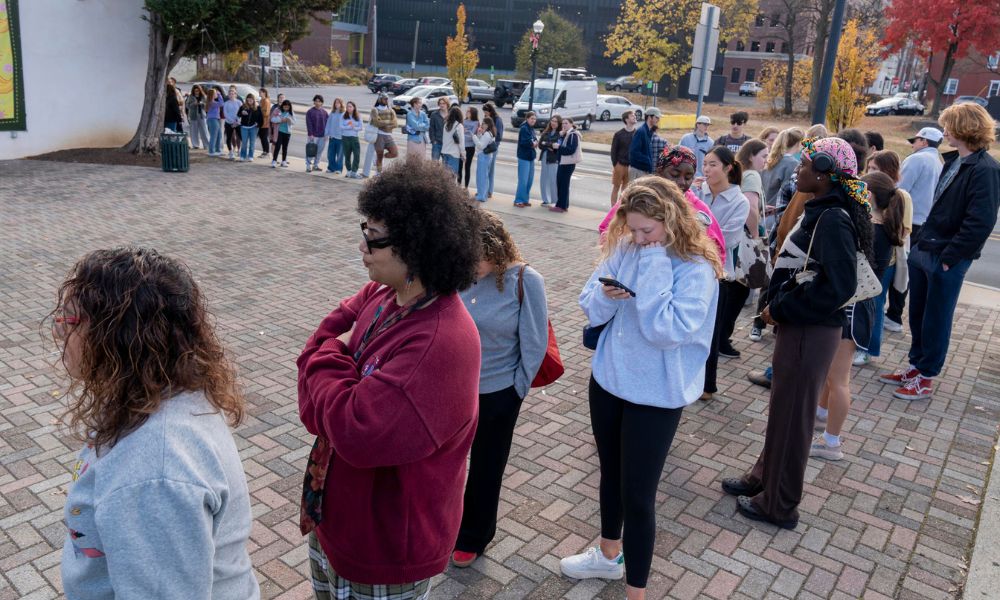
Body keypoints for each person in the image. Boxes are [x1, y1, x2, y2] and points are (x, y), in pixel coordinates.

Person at [297, 158, 483, 600]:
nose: (362, 245)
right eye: (365, 229)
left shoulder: (438, 343)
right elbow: (315, 357)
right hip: (339, 519)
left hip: (384, 548)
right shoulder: (383, 293)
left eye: (374, 238)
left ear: (418, 248)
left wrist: (330, 355)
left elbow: (351, 429)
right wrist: (333, 359)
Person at [55, 247, 259, 599]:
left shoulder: (154, 471)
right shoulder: (156, 392)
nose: (59, 332)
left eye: (69, 319)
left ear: (116, 336)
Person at [565, 178, 721, 600]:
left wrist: (652, 261)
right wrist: (610, 298)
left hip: (656, 395)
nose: (637, 238)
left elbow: (665, 330)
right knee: (610, 476)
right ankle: (607, 553)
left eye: (646, 231)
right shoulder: (626, 247)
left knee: (638, 495)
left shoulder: (697, 268)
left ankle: (637, 592)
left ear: (670, 220)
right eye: (632, 229)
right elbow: (588, 303)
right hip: (609, 380)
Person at [721, 136, 869, 530]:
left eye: (804, 166)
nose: (797, 170)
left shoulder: (833, 218)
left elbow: (837, 287)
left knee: (794, 419)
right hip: (801, 328)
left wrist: (780, 308)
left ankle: (779, 504)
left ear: (825, 174)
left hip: (810, 330)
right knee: (783, 413)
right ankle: (763, 478)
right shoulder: (822, 209)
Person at [879, 104, 999, 400]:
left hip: (946, 257)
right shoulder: (954, 161)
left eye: (948, 125)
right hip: (927, 248)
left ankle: (926, 376)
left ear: (965, 128)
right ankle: (916, 366)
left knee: (937, 317)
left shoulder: (984, 169)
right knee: (918, 313)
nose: (943, 130)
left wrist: (949, 258)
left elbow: (980, 221)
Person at [453, 212, 548, 568]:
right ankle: (444, 525)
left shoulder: (526, 280)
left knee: (486, 468)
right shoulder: (458, 275)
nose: (470, 263)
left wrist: (516, 390)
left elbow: (534, 344)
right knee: (446, 464)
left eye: (475, 255)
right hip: (454, 390)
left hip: (498, 394)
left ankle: (473, 536)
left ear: (495, 250)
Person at [599, 145, 727, 263]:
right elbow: (606, 230)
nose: (681, 182)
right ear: (659, 172)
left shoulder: (697, 208)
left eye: (688, 177)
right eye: (675, 174)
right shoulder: (637, 198)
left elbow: (718, 250)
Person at [698, 146, 750, 401]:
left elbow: (727, 239)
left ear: (728, 168)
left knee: (711, 330)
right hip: (692, 267)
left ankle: (707, 386)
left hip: (719, 274)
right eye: (705, 163)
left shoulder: (739, 200)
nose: (706, 169)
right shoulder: (699, 191)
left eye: (713, 164)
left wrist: (693, 234)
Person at [854, 152, 913, 365]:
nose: (870, 172)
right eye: (869, 167)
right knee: (868, 303)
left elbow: (904, 230)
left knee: (874, 304)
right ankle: (861, 345)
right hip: (878, 260)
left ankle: (867, 347)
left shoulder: (900, 196)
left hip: (886, 262)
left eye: (875, 168)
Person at [884, 126, 944, 332]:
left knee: (896, 267)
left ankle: (893, 315)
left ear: (924, 142)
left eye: (915, 140)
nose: (912, 144)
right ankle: (895, 314)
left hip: (906, 221)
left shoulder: (917, 160)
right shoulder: (939, 162)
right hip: (923, 222)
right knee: (906, 269)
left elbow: (899, 191)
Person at [736, 139, 768, 342]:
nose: (766, 160)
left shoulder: (741, 173)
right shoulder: (753, 175)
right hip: (746, 237)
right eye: (763, 156)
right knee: (740, 289)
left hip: (738, 234)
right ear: (751, 156)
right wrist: (756, 234)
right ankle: (724, 339)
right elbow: (750, 207)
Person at [761, 127, 805, 207]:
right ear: (799, 143)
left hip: (763, 211)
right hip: (776, 213)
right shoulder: (792, 163)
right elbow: (789, 194)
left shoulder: (770, 159)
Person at [553, 117, 582, 213]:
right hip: (564, 162)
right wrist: (561, 137)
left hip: (568, 163)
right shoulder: (567, 134)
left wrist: (559, 147)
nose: (564, 125)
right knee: (562, 184)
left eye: (566, 123)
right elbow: (562, 145)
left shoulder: (573, 135)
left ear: (571, 124)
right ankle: (563, 205)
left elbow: (570, 149)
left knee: (563, 184)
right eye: (563, 124)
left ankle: (561, 206)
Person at [610, 110, 638, 203]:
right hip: (620, 165)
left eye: (634, 115)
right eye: (632, 116)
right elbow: (613, 151)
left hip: (631, 166)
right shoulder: (619, 134)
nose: (634, 117)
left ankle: (620, 208)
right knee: (616, 187)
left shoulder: (637, 134)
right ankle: (613, 210)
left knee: (626, 190)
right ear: (626, 119)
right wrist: (616, 164)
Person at [369, 93, 399, 175]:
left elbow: (395, 123)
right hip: (379, 135)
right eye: (384, 99)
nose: (386, 100)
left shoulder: (391, 110)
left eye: (387, 99)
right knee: (379, 154)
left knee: (394, 153)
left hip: (389, 136)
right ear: (379, 99)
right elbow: (376, 123)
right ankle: (378, 173)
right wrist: (388, 123)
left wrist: (384, 124)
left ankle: (380, 159)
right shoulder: (375, 110)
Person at [627, 108, 661, 179]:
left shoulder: (649, 132)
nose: (658, 120)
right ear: (649, 117)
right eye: (656, 117)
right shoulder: (641, 131)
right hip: (637, 170)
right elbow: (634, 151)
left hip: (643, 170)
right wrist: (647, 160)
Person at [538, 115, 563, 206]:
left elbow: (557, 146)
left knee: (553, 180)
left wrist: (547, 144)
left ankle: (554, 200)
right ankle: (545, 200)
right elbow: (540, 145)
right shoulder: (546, 132)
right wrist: (550, 145)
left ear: (559, 123)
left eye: (555, 121)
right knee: (544, 179)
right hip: (544, 157)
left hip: (553, 159)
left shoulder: (560, 134)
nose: (553, 123)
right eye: (552, 121)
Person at [514, 111, 537, 207]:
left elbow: (535, 140)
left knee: (529, 180)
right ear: (527, 119)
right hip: (524, 157)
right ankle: (518, 200)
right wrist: (533, 143)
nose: (533, 120)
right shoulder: (524, 128)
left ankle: (525, 199)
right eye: (532, 118)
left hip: (531, 157)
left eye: (535, 119)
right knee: (523, 180)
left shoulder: (531, 129)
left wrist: (534, 142)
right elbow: (526, 142)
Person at [482, 102, 504, 198]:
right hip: (484, 146)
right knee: (484, 169)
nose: (485, 114)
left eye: (486, 112)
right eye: (484, 112)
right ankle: (483, 190)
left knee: (490, 170)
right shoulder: (486, 120)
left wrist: (492, 141)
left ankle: (489, 191)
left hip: (492, 147)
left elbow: (499, 135)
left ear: (490, 111)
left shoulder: (497, 120)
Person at [472, 116, 496, 202]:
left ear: (488, 124)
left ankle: (481, 196)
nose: (482, 125)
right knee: (484, 176)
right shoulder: (489, 133)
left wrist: (474, 137)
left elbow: (481, 146)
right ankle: (483, 194)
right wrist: (479, 133)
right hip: (487, 156)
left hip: (483, 156)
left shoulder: (487, 134)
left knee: (481, 176)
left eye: (484, 123)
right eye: (482, 123)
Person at [305, 95, 329, 173]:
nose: (317, 102)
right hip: (313, 136)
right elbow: (309, 123)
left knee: (319, 152)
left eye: (319, 101)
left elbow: (327, 124)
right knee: (311, 151)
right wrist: (310, 134)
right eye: (316, 101)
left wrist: (326, 134)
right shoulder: (310, 112)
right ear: (314, 102)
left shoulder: (325, 112)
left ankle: (316, 165)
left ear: (322, 102)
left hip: (322, 136)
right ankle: (308, 166)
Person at [237, 93, 263, 162]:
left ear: (254, 100)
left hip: (253, 127)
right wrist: (242, 113)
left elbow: (261, 118)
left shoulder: (258, 107)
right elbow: (238, 115)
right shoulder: (243, 106)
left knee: (252, 142)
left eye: (251, 100)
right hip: (244, 127)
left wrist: (258, 124)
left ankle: (250, 156)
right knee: (244, 142)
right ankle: (243, 155)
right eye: (248, 100)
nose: (249, 102)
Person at [459, 106, 480, 188]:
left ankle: (466, 187)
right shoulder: (463, 121)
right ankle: (458, 185)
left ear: (473, 113)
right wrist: (466, 132)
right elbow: (460, 133)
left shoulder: (476, 122)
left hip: (470, 147)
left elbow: (473, 135)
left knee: (467, 167)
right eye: (466, 111)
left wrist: (464, 133)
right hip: (461, 147)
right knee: (459, 166)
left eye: (468, 111)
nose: (466, 112)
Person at [340, 101, 363, 178]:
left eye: (350, 106)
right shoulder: (343, 115)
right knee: (347, 155)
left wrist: (354, 128)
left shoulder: (358, 115)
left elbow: (361, 127)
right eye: (347, 107)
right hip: (345, 137)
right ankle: (349, 171)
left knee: (357, 155)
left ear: (354, 107)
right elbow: (341, 126)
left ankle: (354, 171)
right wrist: (349, 127)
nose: (348, 108)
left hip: (354, 138)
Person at [270, 99, 294, 168]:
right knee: (277, 146)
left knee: (285, 147)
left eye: (287, 107)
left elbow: (294, 122)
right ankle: (274, 160)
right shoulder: (278, 111)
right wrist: (280, 119)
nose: (286, 108)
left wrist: (288, 120)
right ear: (282, 106)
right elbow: (272, 119)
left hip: (287, 132)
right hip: (280, 131)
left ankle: (284, 161)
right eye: (285, 107)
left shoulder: (291, 113)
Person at [184, 85, 209, 150]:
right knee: (194, 130)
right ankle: (195, 145)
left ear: (200, 90)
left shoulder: (203, 96)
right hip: (193, 115)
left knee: (204, 130)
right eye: (195, 91)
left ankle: (206, 145)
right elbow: (187, 106)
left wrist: (202, 104)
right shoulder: (190, 97)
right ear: (193, 91)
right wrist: (193, 104)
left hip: (202, 115)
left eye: (198, 90)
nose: (196, 92)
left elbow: (207, 105)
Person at [441, 106, 465, 175]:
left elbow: (444, 139)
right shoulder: (459, 126)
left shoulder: (446, 124)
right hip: (454, 154)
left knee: (444, 177)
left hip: (445, 152)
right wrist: (463, 154)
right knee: (452, 177)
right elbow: (461, 142)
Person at [325, 98, 346, 173]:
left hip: (340, 138)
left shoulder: (344, 114)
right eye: (335, 103)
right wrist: (326, 134)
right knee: (330, 154)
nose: (337, 104)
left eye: (338, 103)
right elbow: (328, 124)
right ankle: (331, 168)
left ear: (341, 104)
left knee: (340, 155)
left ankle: (338, 169)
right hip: (332, 137)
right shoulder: (332, 113)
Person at [222, 88, 243, 161]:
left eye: (233, 93)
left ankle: (240, 151)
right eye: (230, 94)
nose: (231, 95)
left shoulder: (239, 102)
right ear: (228, 95)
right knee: (229, 138)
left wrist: (237, 121)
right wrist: (232, 121)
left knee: (241, 137)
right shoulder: (226, 103)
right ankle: (231, 152)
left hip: (238, 123)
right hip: (229, 123)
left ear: (236, 94)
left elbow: (241, 112)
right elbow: (225, 114)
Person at [429, 97, 449, 162]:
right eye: (440, 103)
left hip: (447, 144)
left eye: (443, 103)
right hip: (437, 143)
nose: (442, 105)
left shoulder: (451, 115)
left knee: (446, 165)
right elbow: (431, 129)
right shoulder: (434, 115)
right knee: (434, 164)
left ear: (447, 104)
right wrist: (433, 141)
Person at [205, 88, 224, 157]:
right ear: (212, 95)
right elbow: (222, 103)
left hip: (216, 119)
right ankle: (211, 151)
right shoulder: (211, 102)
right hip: (212, 120)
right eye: (215, 93)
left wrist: (218, 94)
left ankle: (217, 150)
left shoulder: (213, 102)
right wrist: (219, 95)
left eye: (217, 93)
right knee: (214, 136)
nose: (216, 94)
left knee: (219, 135)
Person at [257, 88, 271, 157]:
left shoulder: (266, 101)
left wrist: (259, 110)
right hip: (260, 122)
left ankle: (267, 152)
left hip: (265, 122)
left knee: (264, 137)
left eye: (260, 92)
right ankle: (264, 151)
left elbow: (266, 113)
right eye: (259, 92)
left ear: (264, 93)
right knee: (261, 137)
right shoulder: (261, 100)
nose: (259, 93)